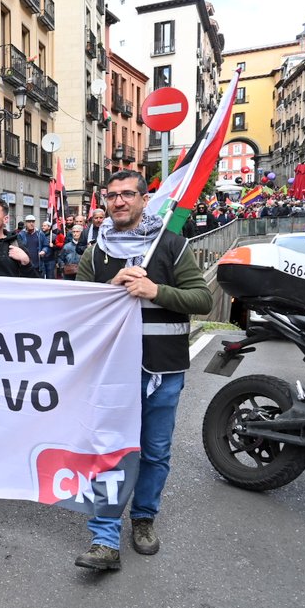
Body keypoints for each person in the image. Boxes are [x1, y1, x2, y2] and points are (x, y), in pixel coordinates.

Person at [73, 171, 212, 571]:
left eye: (127, 194)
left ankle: (144, 518)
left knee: (154, 452)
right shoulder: (95, 252)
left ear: (144, 199)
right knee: (110, 452)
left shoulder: (172, 245)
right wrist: (111, 286)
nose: (119, 202)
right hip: (111, 373)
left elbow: (202, 298)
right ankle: (104, 538)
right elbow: (78, 307)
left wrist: (156, 291)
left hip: (163, 370)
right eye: (112, 196)